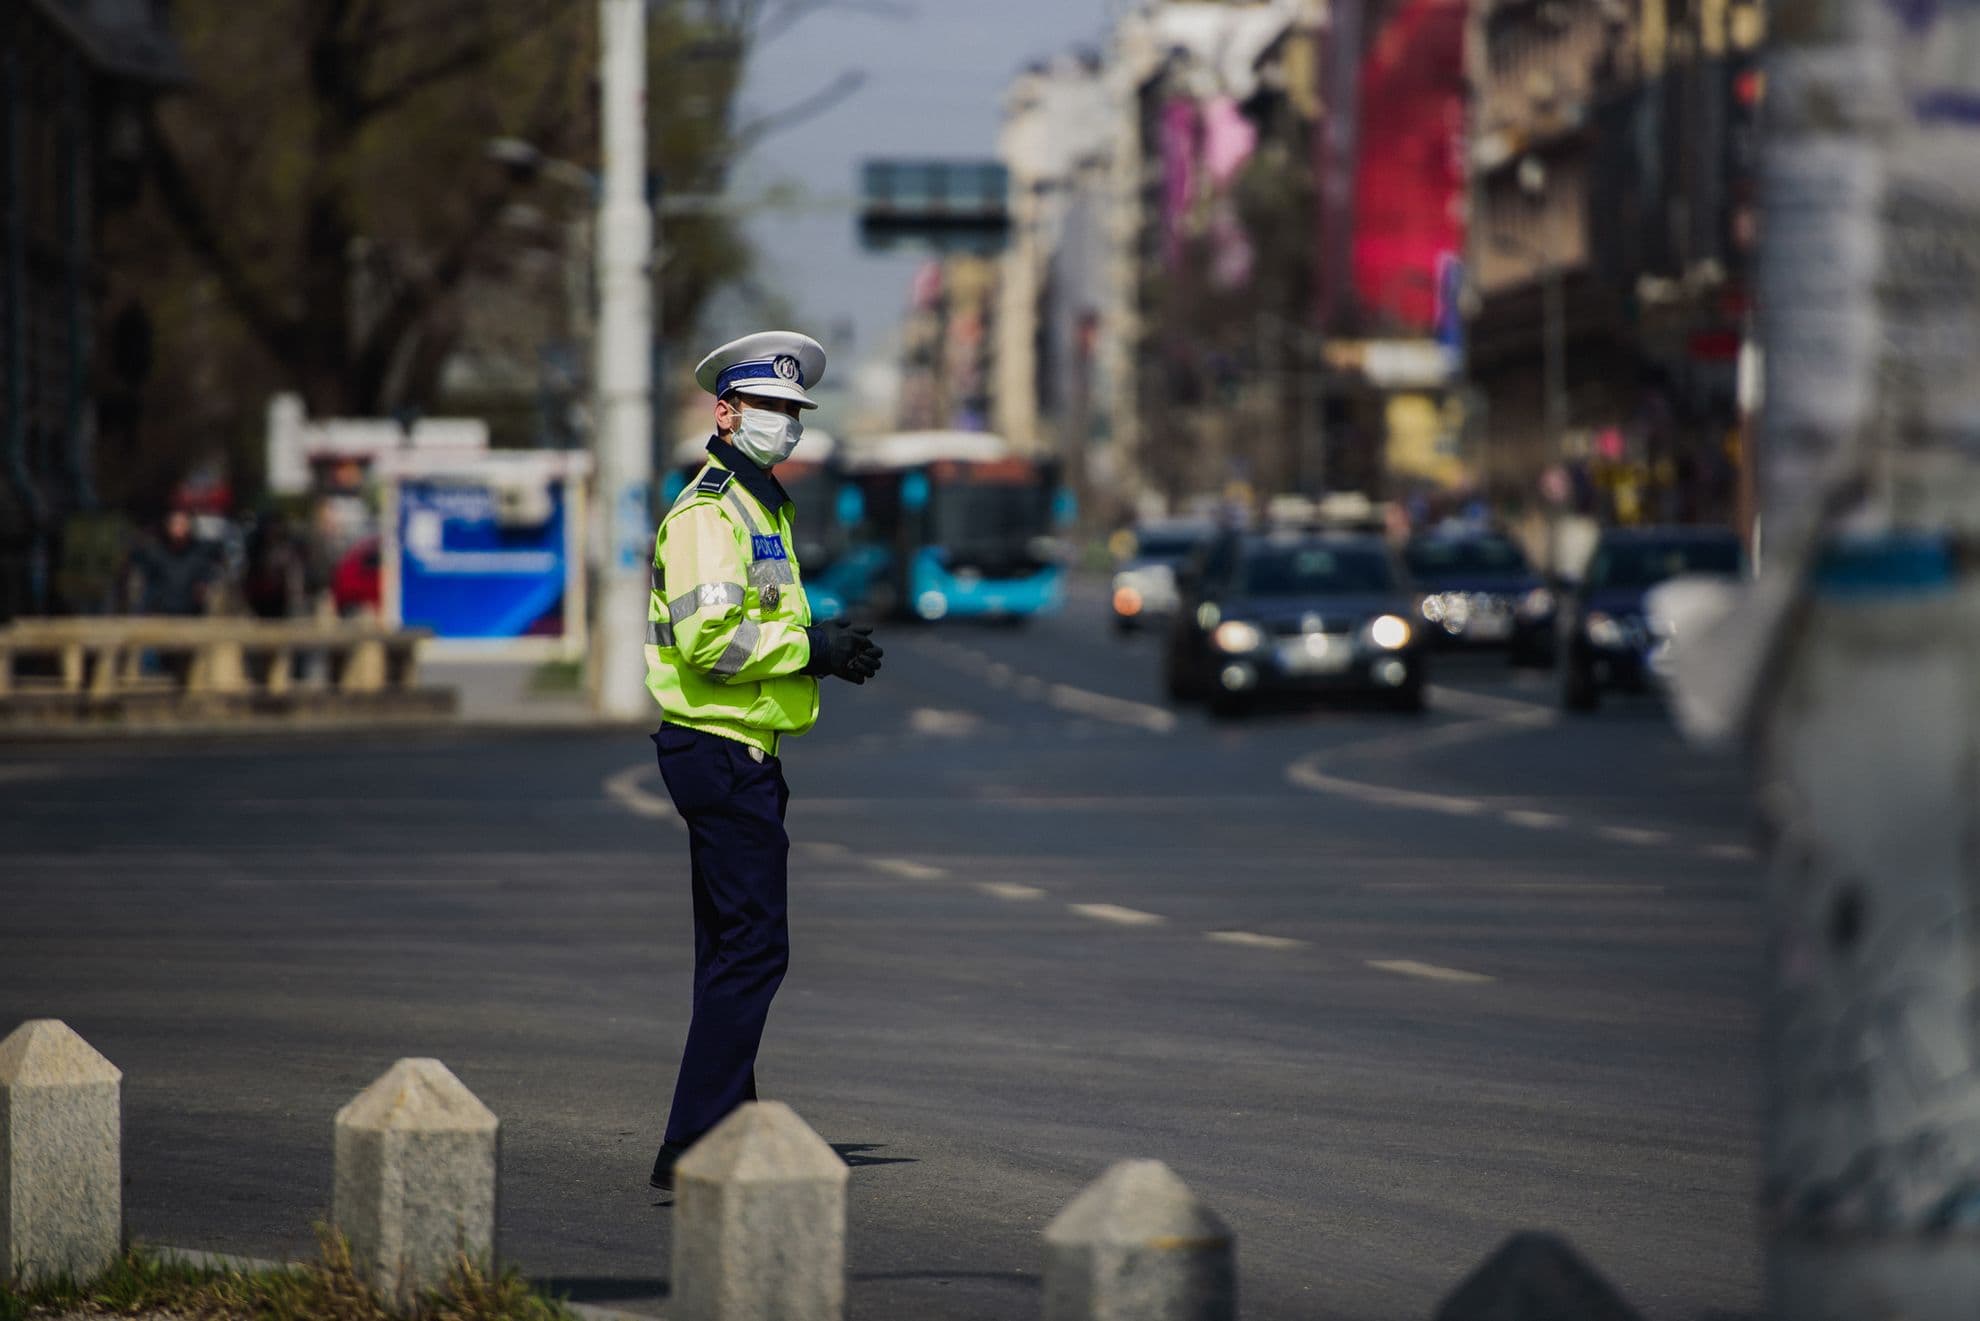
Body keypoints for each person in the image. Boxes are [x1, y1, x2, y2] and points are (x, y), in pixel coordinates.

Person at [645, 330, 885, 1191]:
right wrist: (811, 647)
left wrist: (820, 641)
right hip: (719, 748)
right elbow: (713, 639)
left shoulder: (761, 505)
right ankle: (692, 1143)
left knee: (730, 950)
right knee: (754, 949)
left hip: (739, 746)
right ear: (726, 412)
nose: (786, 424)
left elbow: (758, 620)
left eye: (794, 411)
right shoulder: (713, 511)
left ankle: (729, 1130)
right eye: (771, 409)